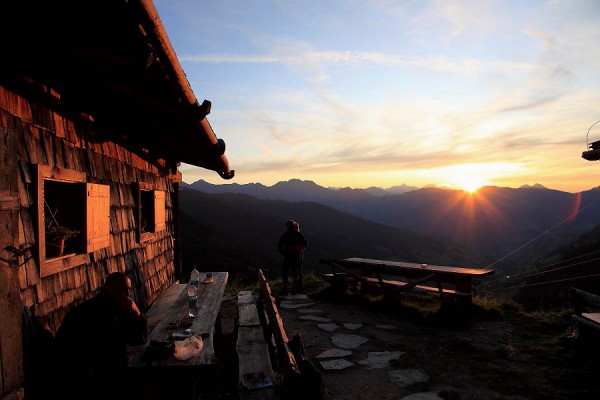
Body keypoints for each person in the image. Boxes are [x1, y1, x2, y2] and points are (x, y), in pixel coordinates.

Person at [54, 272, 148, 400]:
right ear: (108, 288)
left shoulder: (119, 308)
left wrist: (136, 313)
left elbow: (138, 338)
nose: (127, 294)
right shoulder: (91, 312)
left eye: (128, 290)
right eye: (122, 289)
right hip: (91, 379)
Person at [278, 219, 308, 294]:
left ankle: (285, 288)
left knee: (285, 271)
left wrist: (284, 253)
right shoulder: (298, 234)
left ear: (288, 226)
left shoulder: (285, 234)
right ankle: (296, 288)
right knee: (295, 271)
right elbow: (305, 244)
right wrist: (296, 248)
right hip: (297, 255)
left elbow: (279, 246)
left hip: (288, 255)